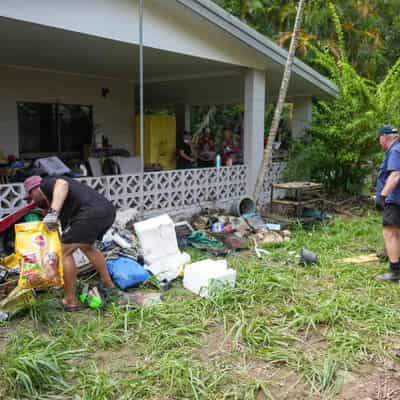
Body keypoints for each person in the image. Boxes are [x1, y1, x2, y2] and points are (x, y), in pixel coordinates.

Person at [23, 175, 117, 310]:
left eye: (31, 197)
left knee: (64, 253)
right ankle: (109, 286)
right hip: (106, 211)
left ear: (35, 189)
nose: (32, 201)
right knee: (87, 247)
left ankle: (69, 300)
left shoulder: (46, 183)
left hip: (90, 213)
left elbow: (62, 184)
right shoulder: (66, 203)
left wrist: (53, 212)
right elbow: (66, 231)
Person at [375, 125, 400, 281]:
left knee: (390, 231)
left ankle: (395, 271)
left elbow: (396, 175)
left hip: (394, 198)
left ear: (384, 137)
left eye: (379, 139)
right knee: (396, 231)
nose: (379, 143)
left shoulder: (395, 150)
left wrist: (382, 196)